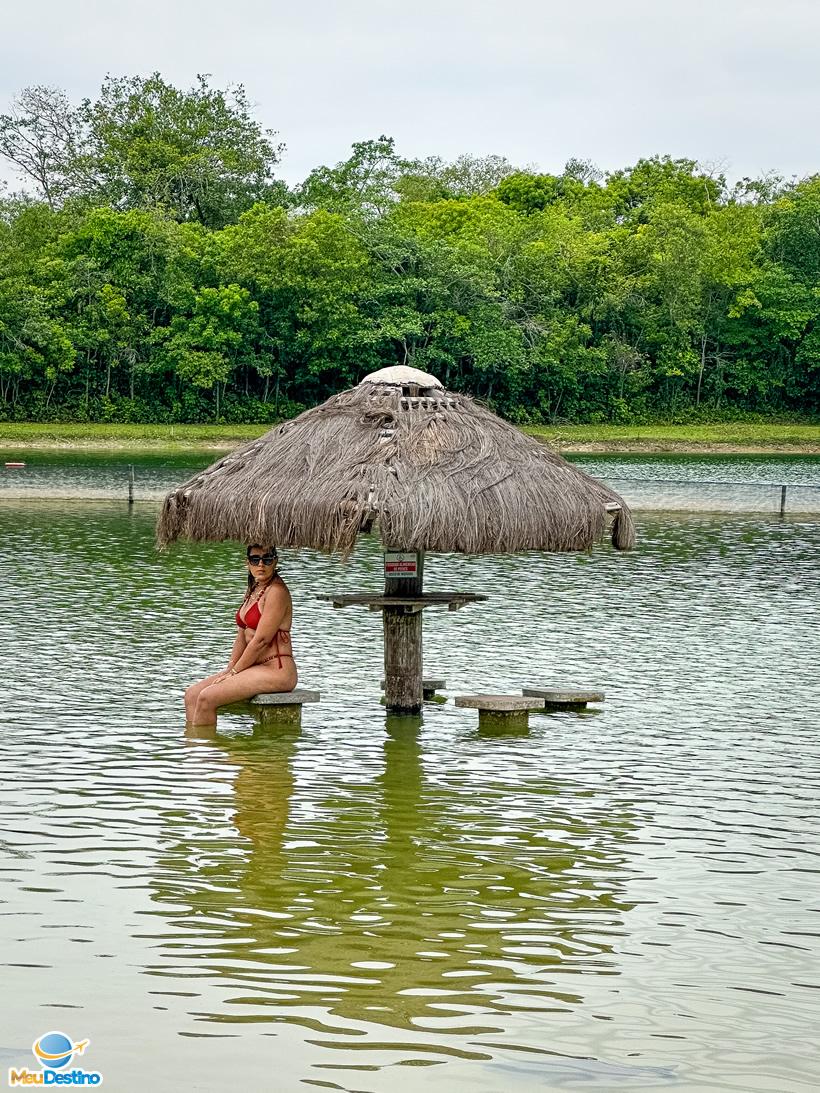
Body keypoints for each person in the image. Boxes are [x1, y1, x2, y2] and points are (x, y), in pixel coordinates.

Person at [184, 544, 297, 727]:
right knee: (192, 695)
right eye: (255, 560)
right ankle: (195, 749)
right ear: (247, 563)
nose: (261, 564)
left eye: (267, 559)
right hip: (254, 668)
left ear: (275, 561)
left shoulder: (277, 592)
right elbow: (242, 634)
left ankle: (206, 752)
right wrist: (230, 669)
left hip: (276, 670)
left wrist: (235, 673)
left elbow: (261, 640)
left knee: (207, 697)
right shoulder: (255, 588)